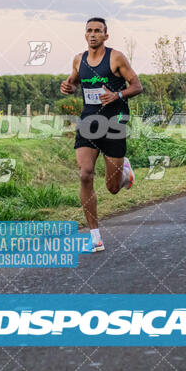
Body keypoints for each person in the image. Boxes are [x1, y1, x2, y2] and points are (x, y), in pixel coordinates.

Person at [60, 17, 143, 251]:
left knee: (112, 188)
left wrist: (117, 96)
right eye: (89, 31)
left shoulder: (116, 58)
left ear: (106, 36)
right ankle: (95, 235)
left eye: (98, 31)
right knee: (85, 174)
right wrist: (68, 87)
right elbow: (74, 82)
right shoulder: (79, 60)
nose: (93, 34)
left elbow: (137, 86)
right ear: (85, 35)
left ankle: (124, 170)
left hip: (114, 122)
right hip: (89, 121)